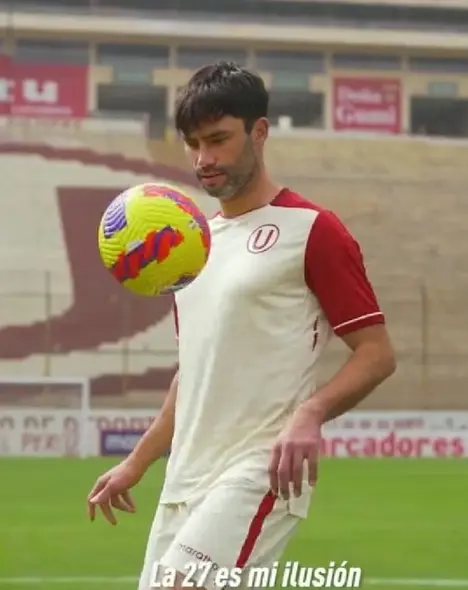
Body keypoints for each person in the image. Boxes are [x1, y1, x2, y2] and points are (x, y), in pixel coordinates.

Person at [86, 62, 397, 590]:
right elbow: (193, 375)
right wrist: (136, 463)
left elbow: (376, 353)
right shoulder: (191, 248)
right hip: (184, 478)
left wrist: (311, 413)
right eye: (193, 144)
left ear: (260, 131)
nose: (204, 159)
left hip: (259, 469)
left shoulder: (313, 230)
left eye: (218, 139)